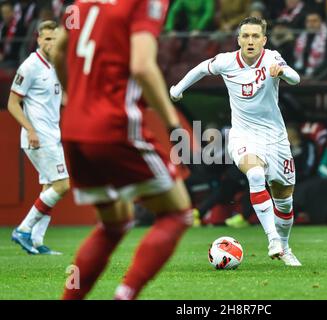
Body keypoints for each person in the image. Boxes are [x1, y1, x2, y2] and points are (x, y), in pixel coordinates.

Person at [52, 0, 192, 300]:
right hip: (114, 125)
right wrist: (172, 123)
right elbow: (142, 66)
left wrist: (76, 97)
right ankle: (124, 295)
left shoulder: (83, 2)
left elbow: (58, 49)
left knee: (114, 223)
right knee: (177, 214)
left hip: (74, 127)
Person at [170, 16, 302, 266]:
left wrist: (282, 71)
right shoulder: (226, 61)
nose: (250, 41)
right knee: (254, 175)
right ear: (238, 39)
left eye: (255, 36)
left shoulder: (272, 58)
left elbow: (296, 79)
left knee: (284, 202)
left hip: (275, 137)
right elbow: (200, 68)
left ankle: (285, 247)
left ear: (263, 40)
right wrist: (178, 88)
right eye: (246, 36)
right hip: (243, 134)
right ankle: (272, 238)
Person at [8, 20, 68, 255]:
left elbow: (61, 98)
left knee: (49, 188)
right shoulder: (30, 66)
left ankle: (36, 241)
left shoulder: (55, 65)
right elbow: (13, 104)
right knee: (62, 185)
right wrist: (30, 130)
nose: (51, 43)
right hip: (39, 137)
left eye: (55, 38)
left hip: (52, 134)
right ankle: (23, 230)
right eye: (47, 38)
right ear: (38, 39)